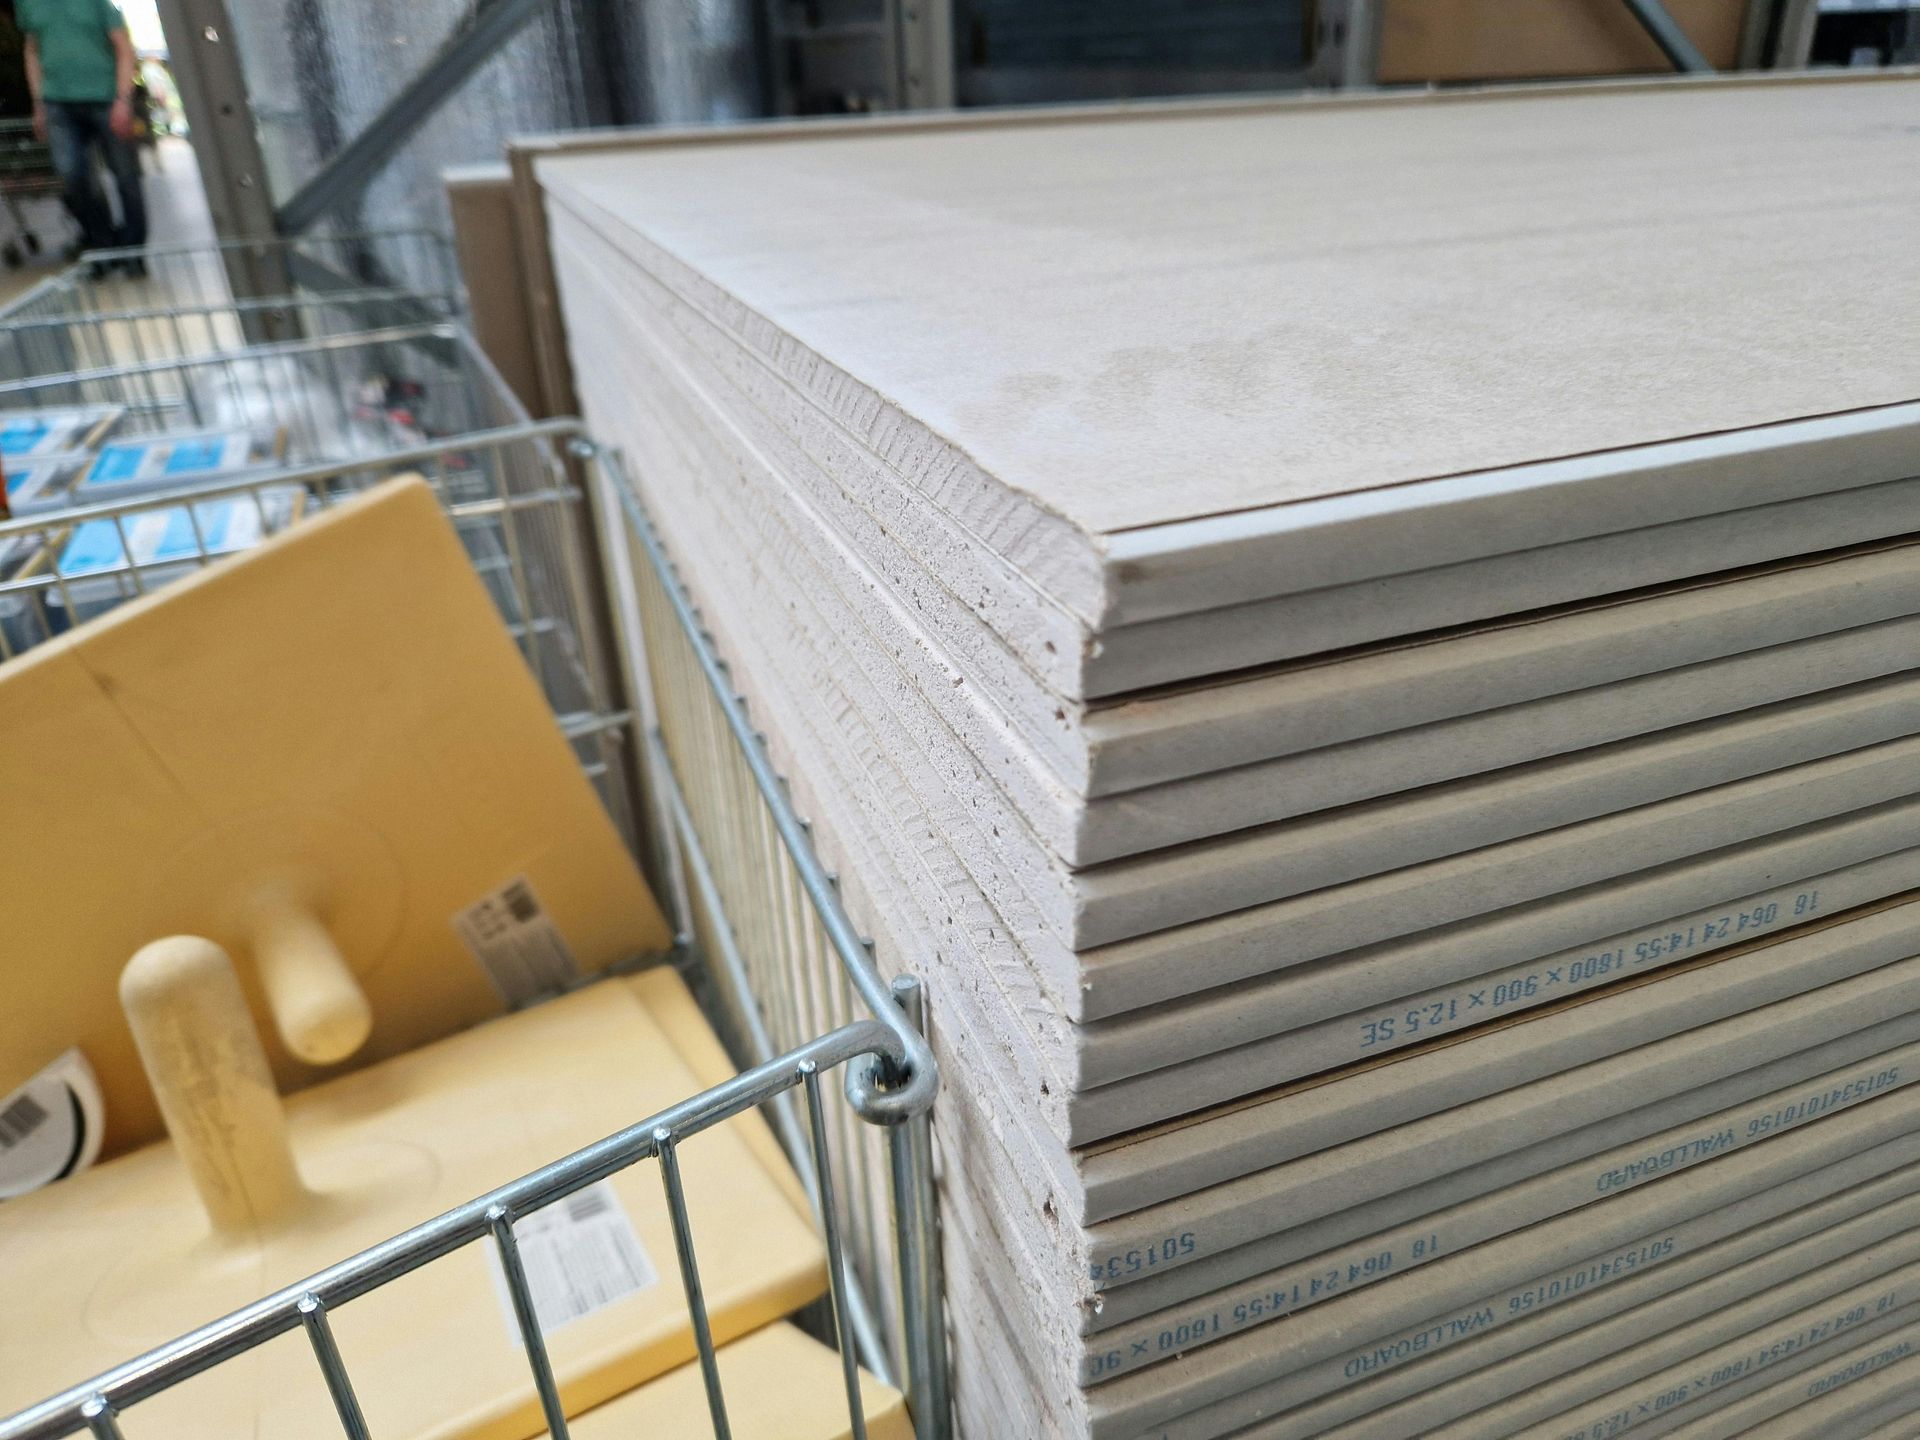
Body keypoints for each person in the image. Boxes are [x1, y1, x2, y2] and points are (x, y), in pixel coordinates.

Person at [18, 0, 148, 269]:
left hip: (107, 99)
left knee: (126, 177)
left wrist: (123, 99)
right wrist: (39, 103)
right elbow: (32, 50)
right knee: (72, 176)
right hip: (57, 104)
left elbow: (123, 47)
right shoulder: (28, 4)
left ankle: (133, 251)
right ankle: (103, 245)